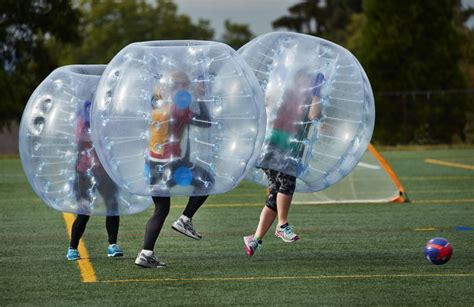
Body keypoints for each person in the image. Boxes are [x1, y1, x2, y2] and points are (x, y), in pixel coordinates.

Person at [135, 70, 214, 268]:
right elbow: (206, 122)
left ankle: (145, 254)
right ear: (177, 88)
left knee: (161, 209)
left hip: (152, 164)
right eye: (184, 86)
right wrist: (202, 98)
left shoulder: (154, 107)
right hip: (173, 165)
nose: (186, 90)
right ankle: (185, 219)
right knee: (207, 181)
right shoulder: (178, 109)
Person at [243, 70, 324, 257]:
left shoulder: (310, 99)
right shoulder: (285, 94)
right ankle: (282, 224)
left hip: (291, 150)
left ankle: (255, 239)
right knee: (287, 182)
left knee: (275, 195)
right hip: (274, 146)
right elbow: (267, 103)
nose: (307, 84)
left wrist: (316, 93)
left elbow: (314, 115)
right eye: (305, 80)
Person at [67, 100, 123, 261]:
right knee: (84, 211)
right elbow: (77, 144)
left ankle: (113, 245)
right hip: (85, 171)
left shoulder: (106, 122)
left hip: (105, 171)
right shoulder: (82, 123)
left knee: (112, 206)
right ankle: (72, 247)